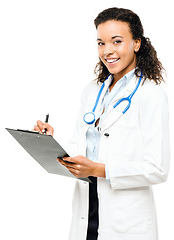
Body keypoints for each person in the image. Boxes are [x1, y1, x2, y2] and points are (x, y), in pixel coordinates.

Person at [34, 7, 170, 240]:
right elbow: (83, 147)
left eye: (117, 41)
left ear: (136, 43)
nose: (107, 51)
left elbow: (157, 169)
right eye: (101, 43)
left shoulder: (151, 94)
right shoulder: (92, 91)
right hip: (87, 209)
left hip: (126, 219)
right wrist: (50, 144)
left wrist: (98, 170)